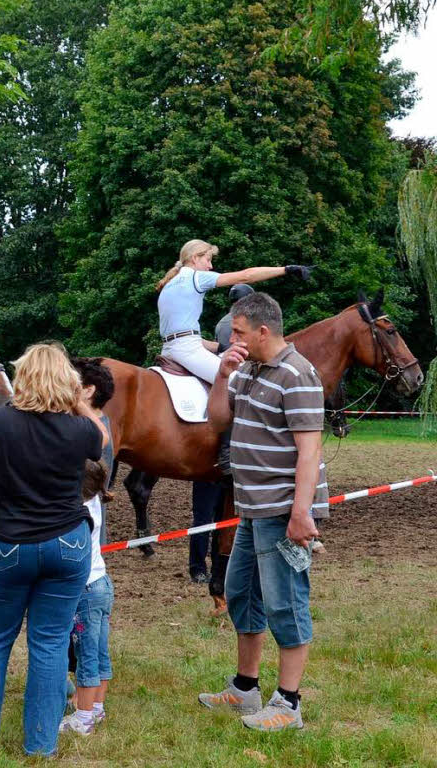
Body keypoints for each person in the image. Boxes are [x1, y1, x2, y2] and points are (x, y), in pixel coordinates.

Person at [0, 342, 110, 757]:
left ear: (22, 377)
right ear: (67, 382)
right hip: (69, 544)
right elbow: (102, 436)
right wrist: (77, 401)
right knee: (51, 643)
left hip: (7, 546)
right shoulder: (80, 429)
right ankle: (41, 744)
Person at [200, 292, 328, 731]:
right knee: (242, 595)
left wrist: (301, 513)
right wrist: (221, 375)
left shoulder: (298, 375)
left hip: (281, 509)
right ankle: (244, 689)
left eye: (236, 331)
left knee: (285, 604)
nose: (229, 338)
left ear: (262, 330)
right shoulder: (247, 368)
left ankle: (288, 704)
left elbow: (309, 451)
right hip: (251, 509)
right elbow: (217, 421)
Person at [156, 239, 311, 384]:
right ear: (195, 258)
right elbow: (246, 276)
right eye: (208, 259)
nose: (210, 266)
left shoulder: (169, 284)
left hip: (169, 349)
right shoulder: (196, 278)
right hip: (185, 349)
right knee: (238, 382)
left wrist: (219, 347)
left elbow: (180, 334)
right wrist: (286, 269)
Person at [60, 360, 116, 736]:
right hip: (101, 580)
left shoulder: (93, 433)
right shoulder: (95, 495)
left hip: (84, 581)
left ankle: (83, 715)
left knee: (86, 652)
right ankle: (96, 707)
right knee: (98, 647)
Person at [189, 283, 255, 583]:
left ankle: (199, 564)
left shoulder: (221, 322)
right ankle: (228, 450)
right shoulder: (237, 323)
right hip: (227, 368)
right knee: (234, 400)